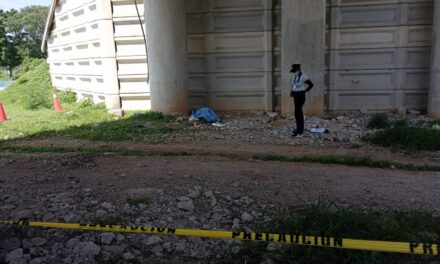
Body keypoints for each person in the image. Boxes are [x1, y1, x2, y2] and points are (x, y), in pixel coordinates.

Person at [290, 63, 314, 137]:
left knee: (298, 112)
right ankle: (299, 129)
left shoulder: (304, 76)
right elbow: (294, 85)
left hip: (301, 96)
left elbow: (311, 84)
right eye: (293, 71)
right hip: (295, 95)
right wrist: (292, 92)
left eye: (295, 71)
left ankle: (300, 130)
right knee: (297, 113)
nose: (294, 72)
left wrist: (305, 91)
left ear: (298, 70)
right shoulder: (294, 76)